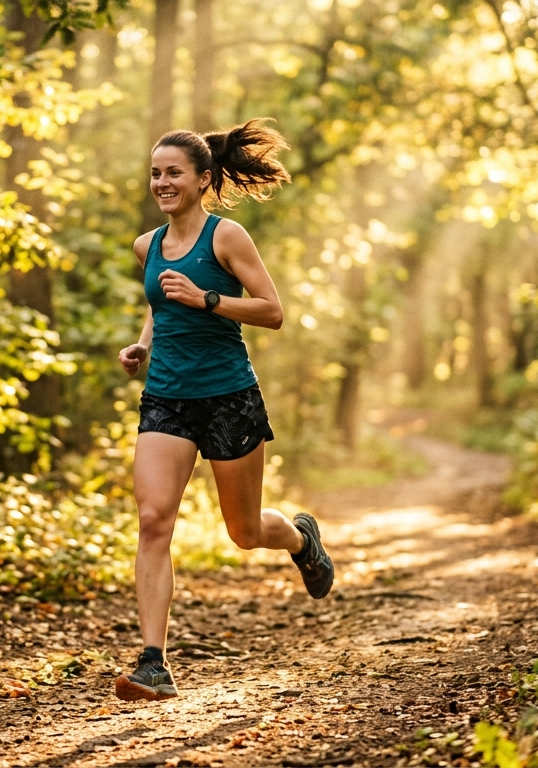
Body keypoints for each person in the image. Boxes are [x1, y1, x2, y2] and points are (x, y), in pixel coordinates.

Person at [113, 119, 336, 702]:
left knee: (243, 531)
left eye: (173, 173)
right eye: (156, 174)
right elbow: (161, 307)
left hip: (228, 396)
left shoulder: (226, 237)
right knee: (153, 519)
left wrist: (208, 298)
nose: (162, 183)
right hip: (166, 398)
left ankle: (299, 539)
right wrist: (143, 345)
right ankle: (153, 662)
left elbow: (272, 310)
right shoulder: (147, 246)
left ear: (202, 179)